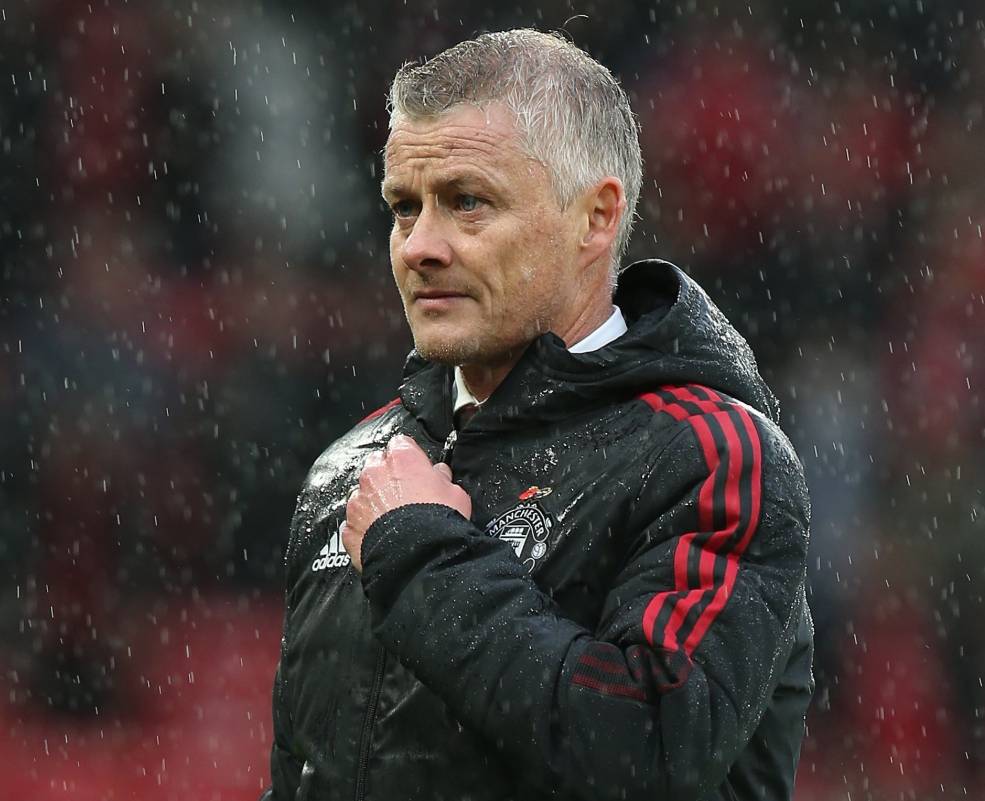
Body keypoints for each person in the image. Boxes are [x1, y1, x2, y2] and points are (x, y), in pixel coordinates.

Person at [261, 28, 813, 801]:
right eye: (404, 207)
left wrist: (419, 554)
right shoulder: (348, 469)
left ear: (595, 218)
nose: (418, 246)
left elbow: (646, 752)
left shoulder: (710, 456)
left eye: (467, 202)